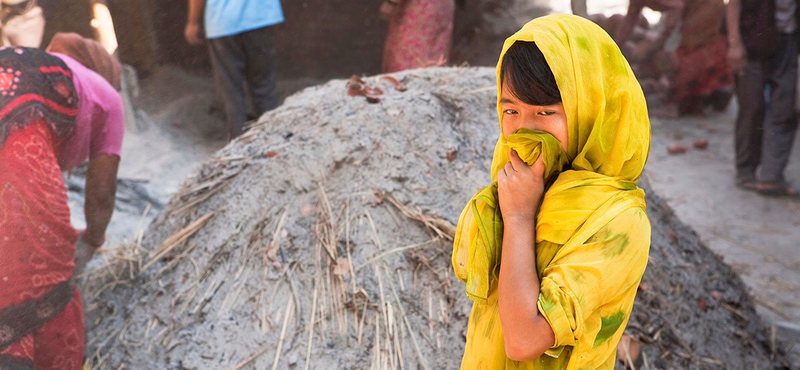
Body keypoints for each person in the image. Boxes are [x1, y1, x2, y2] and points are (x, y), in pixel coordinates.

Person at [452, 14, 651, 368]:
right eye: (510, 109)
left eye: (546, 111)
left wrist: (518, 217)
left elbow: (523, 339)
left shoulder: (619, 222)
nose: (524, 129)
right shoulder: (524, 186)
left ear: (591, 110)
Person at [0, 37, 123, 369]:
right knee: (43, 277)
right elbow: (101, 192)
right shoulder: (108, 98)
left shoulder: (41, 65)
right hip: (19, 134)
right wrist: (93, 239)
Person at [727, 0, 800, 196]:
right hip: (753, 38)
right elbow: (734, 4)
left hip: (787, 40)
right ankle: (745, 171)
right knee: (752, 107)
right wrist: (735, 44)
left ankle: (771, 176)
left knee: (784, 108)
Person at [185, 0, 283, 140]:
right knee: (263, 83)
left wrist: (192, 22)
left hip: (223, 22)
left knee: (230, 88)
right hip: (260, 17)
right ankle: (272, 136)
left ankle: (238, 139)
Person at [380, 0, 455, 73]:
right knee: (434, 51)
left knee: (410, 51)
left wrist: (391, 3)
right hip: (440, 6)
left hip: (419, 8)